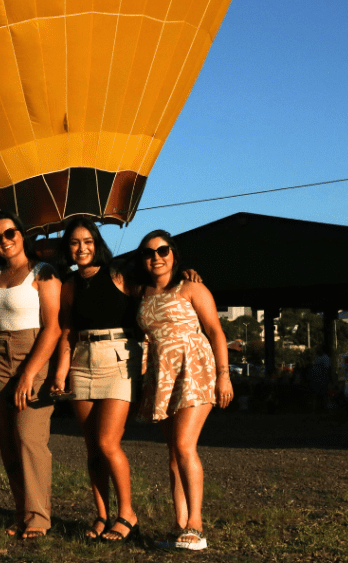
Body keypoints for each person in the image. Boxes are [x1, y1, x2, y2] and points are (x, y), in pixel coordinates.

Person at [134, 230, 233, 551]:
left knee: (184, 444)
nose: (156, 257)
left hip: (195, 368)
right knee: (173, 453)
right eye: (149, 253)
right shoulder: (142, 292)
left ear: (174, 254)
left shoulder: (192, 287)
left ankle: (197, 525)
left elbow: (216, 331)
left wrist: (224, 375)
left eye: (163, 250)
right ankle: (179, 525)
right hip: (161, 376)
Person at [49, 219, 145, 542]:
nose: (82, 248)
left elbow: (155, 290)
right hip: (81, 360)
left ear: (97, 243)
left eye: (87, 241)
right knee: (92, 448)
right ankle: (102, 515)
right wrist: (60, 372)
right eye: (75, 243)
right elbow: (66, 332)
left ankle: (127, 513)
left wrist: (186, 275)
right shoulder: (70, 285)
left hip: (119, 357)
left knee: (107, 442)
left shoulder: (119, 275)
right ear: (68, 249)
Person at [0, 212, 62, 540]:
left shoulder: (43, 272)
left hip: (33, 352)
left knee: (30, 437)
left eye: (10, 233)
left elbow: (53, 327)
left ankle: (39, 517)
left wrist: (30, 373)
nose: (5, 240)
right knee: (8, 441)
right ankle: (21, 511)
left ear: (21, 233)